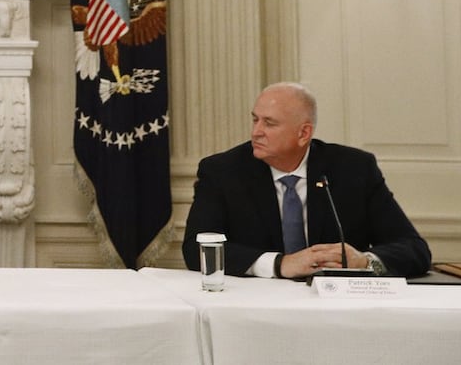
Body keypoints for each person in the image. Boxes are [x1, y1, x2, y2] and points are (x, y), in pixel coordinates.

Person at [182, 82, 430, 278]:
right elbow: (197, 250)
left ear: (304, 133)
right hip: (257, 304)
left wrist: (364, 261)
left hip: (337, 306)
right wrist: (280, 264)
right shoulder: (223, 171)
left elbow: (413, 248)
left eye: (269, 123)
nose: (256, 132)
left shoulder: (353, 169)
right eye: (255, 119)